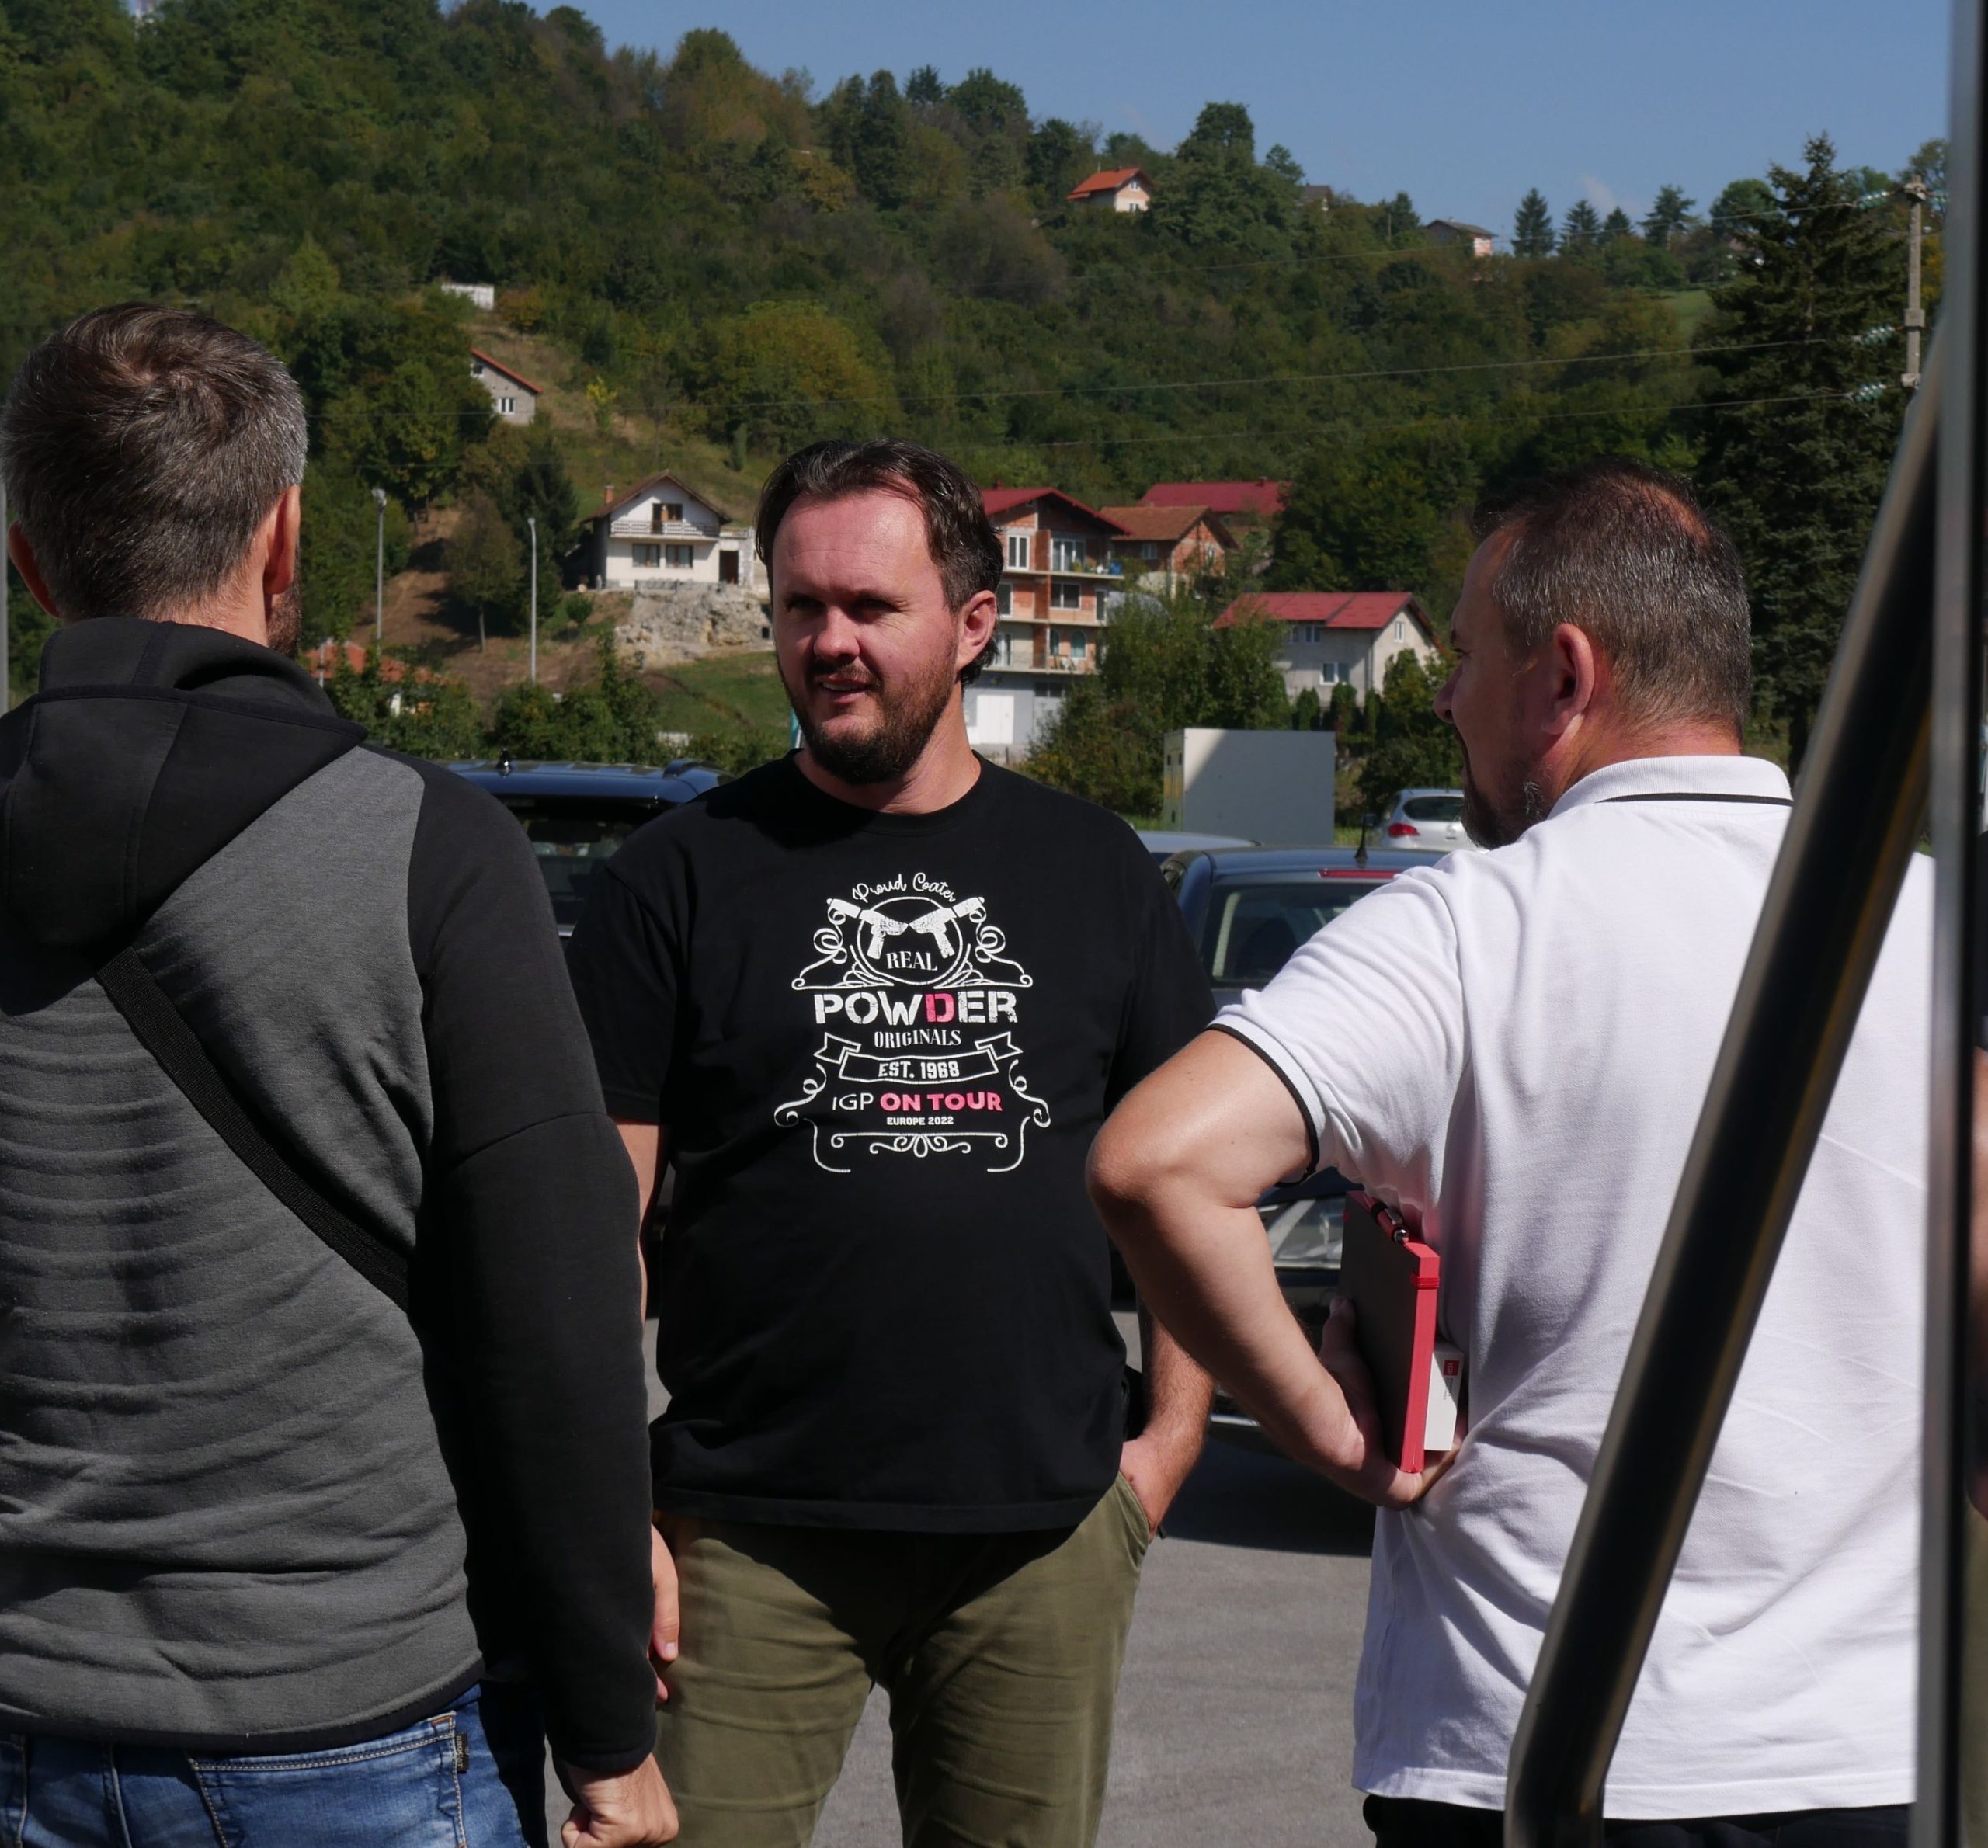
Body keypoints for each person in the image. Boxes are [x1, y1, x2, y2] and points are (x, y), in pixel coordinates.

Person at [1088, 459, 1927, 1847]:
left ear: (1566, 675)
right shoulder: (1925, 920)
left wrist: (1326, 1429)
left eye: (1468, 657)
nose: (1445, 698)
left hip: (1536, 1752)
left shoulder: (1467, 928)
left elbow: (1155, 1161)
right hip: (1873, 1755)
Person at [0, 305, 674, 1848]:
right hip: (351, 1720)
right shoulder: (428, 849)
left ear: (28, 563)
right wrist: (608, 1734)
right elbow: (554, 1321)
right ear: (287, 536)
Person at [565, 437, 1215, 1848]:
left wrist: (1164, 1450)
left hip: (1041, 1532)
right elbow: (596, 1230)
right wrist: (611, 1509)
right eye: (802, 607)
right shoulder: (675, 880)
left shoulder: (1095, 871)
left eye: (871, 606)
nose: (830, 643)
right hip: (744, 1533)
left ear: (974, 624)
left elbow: (1189, 1183)